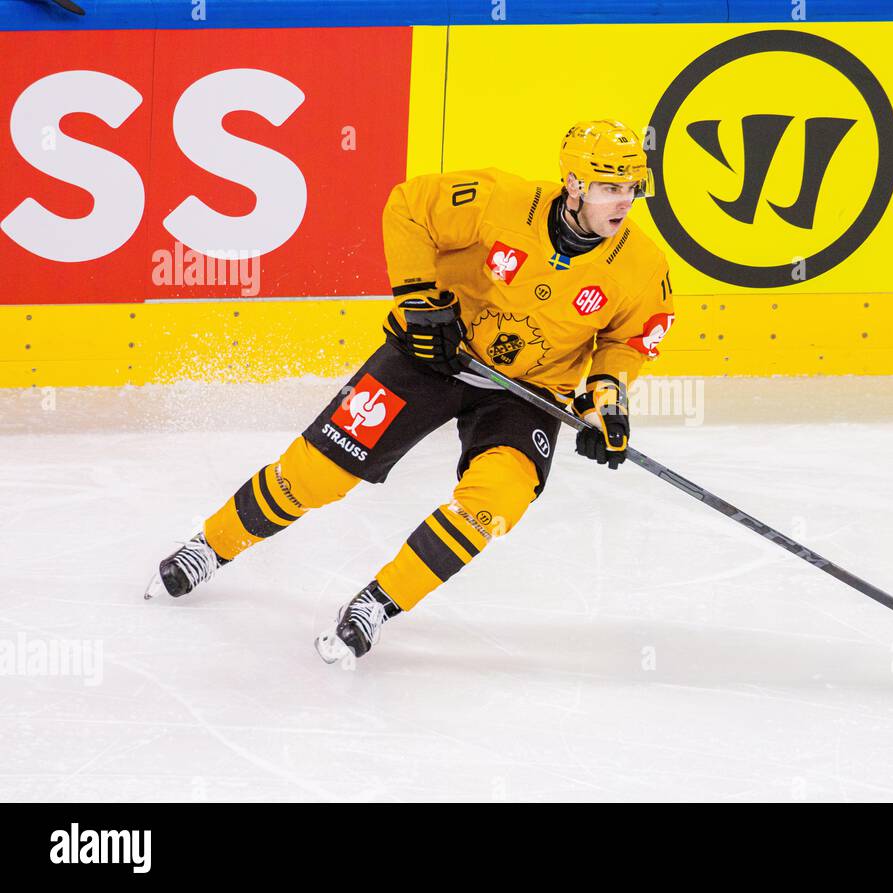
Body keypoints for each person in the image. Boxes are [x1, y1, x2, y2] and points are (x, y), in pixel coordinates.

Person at [144, 119, 676, 663]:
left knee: (495, 502)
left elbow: (627, 341)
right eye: (612, 187)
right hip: (432, 354)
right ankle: (209, 546)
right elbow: (409, 206)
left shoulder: (641, 266)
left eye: (632, 188)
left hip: (525, 391)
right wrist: (421, 301)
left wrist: (607, 404)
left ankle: (378, 603)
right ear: (575, 184)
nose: (624, 202)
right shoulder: (501, 200)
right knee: (317, 474)